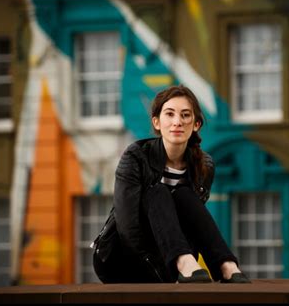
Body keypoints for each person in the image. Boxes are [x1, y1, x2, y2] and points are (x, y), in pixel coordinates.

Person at [92, 85, 250, 284]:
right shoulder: (136, 156)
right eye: (170, 114)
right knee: (158, 191)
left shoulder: (205, 164)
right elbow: (127, 228)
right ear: (157, 122)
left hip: (171, 259)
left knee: (184, 195)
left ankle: (225, 265)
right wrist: (163, 274)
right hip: (122, 258)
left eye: (185, 115)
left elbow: (194, 225)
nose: (178, 122)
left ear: (196, 124)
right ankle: (185, 263)